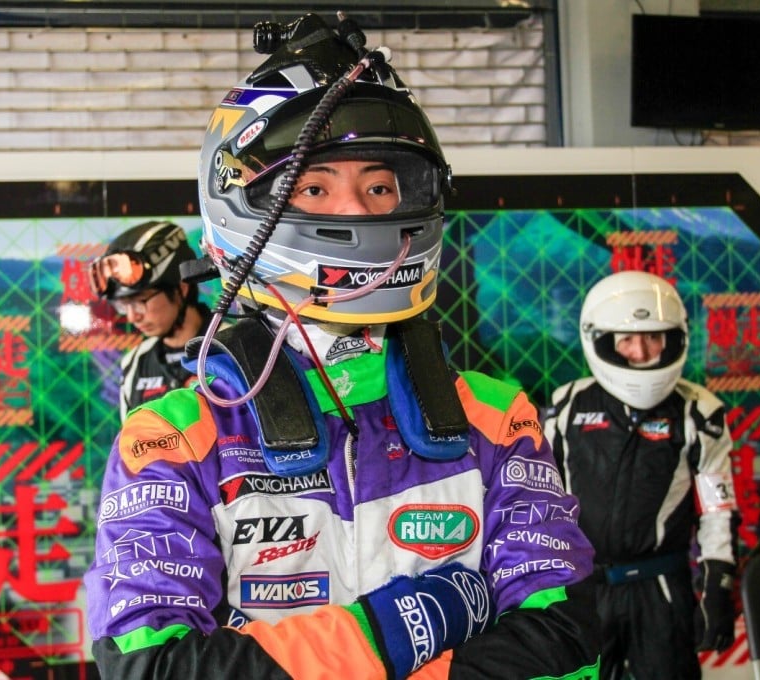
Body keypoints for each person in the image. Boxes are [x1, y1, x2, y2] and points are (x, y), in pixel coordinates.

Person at [84, 12, 600, 679]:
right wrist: (384, 634)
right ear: (243, 208)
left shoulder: (494, 418)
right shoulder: (175, 438)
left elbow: (564, 635)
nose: (358, 212)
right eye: (315, 187)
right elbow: (146, 665)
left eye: (380, 187)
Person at [543, 270, 739, 680]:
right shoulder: (566, 407)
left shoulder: (698, 411)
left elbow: (717, 506)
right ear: (602, 341)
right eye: (627, 340)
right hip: (583, 586)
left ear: (673, 340)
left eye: (653, 338)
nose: (641, 350)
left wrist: (719, 580)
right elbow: (538, 497)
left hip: (661, 586)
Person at [89, 219, 212, 421]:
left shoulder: (233, 350)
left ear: (181, 288)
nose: (132, 316)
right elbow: (130, 445)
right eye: (123, 305)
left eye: (140, 302)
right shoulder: (135, 364)